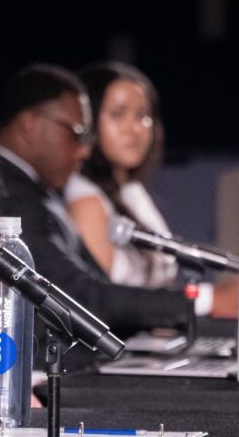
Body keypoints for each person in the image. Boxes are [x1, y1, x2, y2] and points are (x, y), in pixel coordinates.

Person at [0, 64, 236, 359]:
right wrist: (205, 300)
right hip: (53, 373)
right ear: (30, 123)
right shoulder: (11, 193)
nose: (83, 150)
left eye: (144, 115)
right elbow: (79, 296)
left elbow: (91, 287)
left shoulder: (37, 190)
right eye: (77, 133)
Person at [65, 61, 178, 288]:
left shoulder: (133, 192)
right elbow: (103, 300)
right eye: (118, 115)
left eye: (142, 116)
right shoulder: (85, 200)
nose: (134, 129)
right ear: (87, 120)